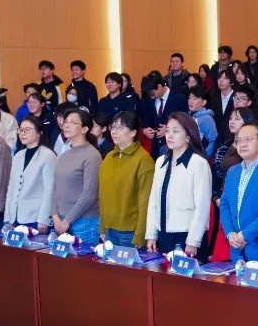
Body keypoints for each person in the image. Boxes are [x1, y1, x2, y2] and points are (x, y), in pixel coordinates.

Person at [145, 113, 212, 260]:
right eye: (168, 131)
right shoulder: (161, 161)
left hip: (186, 234)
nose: (169, 135)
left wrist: (193, 241)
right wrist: (151, 234)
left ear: (188, 136)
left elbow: (202, 207)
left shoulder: (198, 163)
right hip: (163, 232)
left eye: (175, 131)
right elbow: (153, 201)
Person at [219, 123, 258, 264]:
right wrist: (230, 233)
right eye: (238, 140)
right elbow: (224, 205)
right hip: (236, 250)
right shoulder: (232, 172)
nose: (242, 144)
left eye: (248, 139)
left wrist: (245, 235)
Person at [98, 111, 155, 247]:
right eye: (112, 127)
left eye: (119, 127)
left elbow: (145, 201)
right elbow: (103, 195)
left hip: (130, 231)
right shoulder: (108, 157)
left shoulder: (143, 159)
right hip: (109, 228)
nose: (114, 131)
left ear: (133, 132)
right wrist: (102, 225)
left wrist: (141, 234)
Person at [49, 106, 103, 245]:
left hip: (84, 221)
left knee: (82, 258)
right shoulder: (64, 155)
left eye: (72, 122)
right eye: (65, 122)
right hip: (60, 219)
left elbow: (89, 194)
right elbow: (55, 187)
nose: (66, 125)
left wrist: (67, 220)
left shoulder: (92, 155)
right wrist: (55, 216)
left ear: (84, 129)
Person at [4, 115, 56, 232]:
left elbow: (49, 190)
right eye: (20, 130)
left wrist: (44, 219)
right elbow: (11, 189)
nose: (22, 134)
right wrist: (8, 218)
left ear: (39, 133)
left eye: (27, 130)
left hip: (35, 217)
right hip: (15, 216)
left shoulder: (48, 155)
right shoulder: (18, 156)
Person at [212, 107, 256, 197]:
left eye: (237, 119)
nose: (231, 122)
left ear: (247, 122)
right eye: (231, 118)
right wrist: (216, 197)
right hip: (223, 195)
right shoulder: (224, 148)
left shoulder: (253, 148)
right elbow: (216, 175)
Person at [139, 74, 187, 156]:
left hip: (173, 147)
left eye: (152, 93)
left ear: (159, 86)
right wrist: (145, 130)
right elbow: (144, 119)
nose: (151, 96)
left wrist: (169, 130)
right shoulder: (148, 100)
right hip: (154, 147)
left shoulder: (179, 99)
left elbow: (185, 122)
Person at [186, 85, 218, 152]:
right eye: (189, 98)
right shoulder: (189, 115)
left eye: (194, 99)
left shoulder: (207, 119)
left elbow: (213, 141)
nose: (190, 101)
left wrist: (205, 156)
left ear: (204, 102)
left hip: (199, 154)